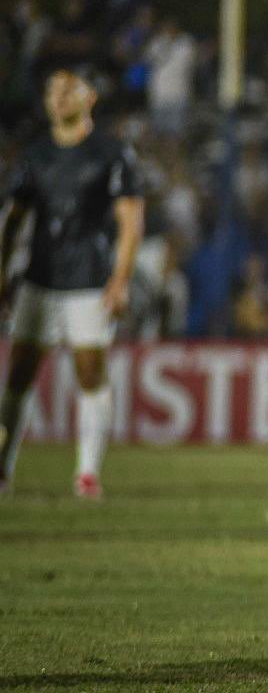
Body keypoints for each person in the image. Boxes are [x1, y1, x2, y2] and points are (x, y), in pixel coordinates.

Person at [0, 62, 144, 498]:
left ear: (90, 98)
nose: (58, 98)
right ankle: (3, 468)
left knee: (89, 371)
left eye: (68, 89)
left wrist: (120, 280)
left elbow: (131, 222)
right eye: (52, 91)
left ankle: (87, 472)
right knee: (19, 373)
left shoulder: (111, 154)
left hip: (89, 280)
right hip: (39, 278)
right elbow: (13, 221)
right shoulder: (36, 156)